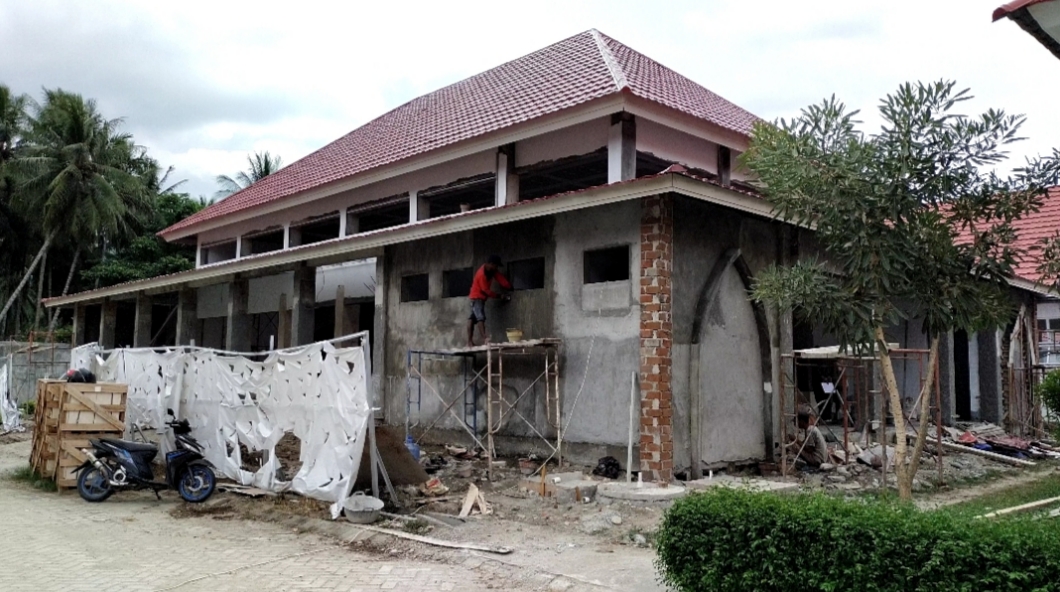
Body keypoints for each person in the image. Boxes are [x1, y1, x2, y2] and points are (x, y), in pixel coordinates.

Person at [467, 254, 511, 347]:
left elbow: (500, 278)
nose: (497, 268)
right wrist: (500, 296)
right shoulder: (481, 274)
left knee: (472, 319)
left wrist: (509, 286)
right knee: (480, 317)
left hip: (481, 298)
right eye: (496, 265)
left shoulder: (492, 271)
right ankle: (485, 338)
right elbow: (486, 291)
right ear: (491, 264)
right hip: (477, 298)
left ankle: (469, 342)